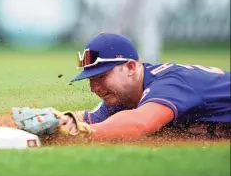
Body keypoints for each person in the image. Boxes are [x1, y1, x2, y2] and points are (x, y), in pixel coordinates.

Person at [55, 32, 230, 142]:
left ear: (131, 67)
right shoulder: (121, 97)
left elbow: (141, 122)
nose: (94, 87)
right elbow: (89, 119)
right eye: (91, 79)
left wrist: (84, 133)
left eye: (101, 76)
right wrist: (51, 119)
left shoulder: (168, 83)